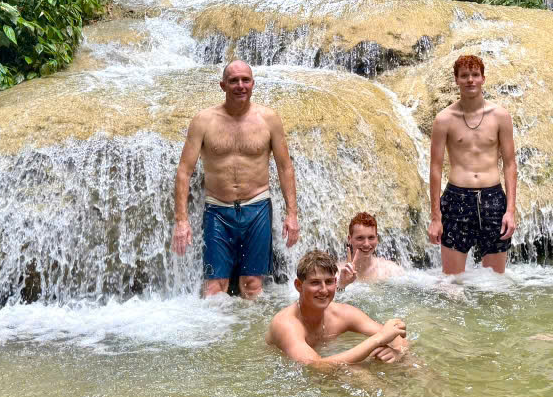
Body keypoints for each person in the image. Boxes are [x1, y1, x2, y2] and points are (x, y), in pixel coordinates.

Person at [172, 60, 299, 299]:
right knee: (214, 287)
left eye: (245, 80)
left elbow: (285, 167)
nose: (240, 86)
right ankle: (213, 336)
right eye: (233, 81)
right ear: (222, 85)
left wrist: (292, 215)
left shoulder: (269, 119)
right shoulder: (204, 121)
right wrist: (181, 221)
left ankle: (250, 337)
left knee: (252, 285)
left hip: (258, 207)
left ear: (253, 84)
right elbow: (184, 171)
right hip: (217, 211)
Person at [426, 53, 518, 274]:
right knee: (452, 282)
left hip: (493, 200)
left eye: (475, 75)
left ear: (483, 79)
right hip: (457, 199)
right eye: (464, 75)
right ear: (456, 80)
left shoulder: (500, 116)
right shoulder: (444, 119)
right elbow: (435, 169)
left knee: (494, 283)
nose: (470, 80)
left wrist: (510, 211)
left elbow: (510, 165)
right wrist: (436, 218)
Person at [266, 250, 409, 368]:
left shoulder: (342, 313)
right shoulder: (285, 324)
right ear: (298, 285)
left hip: (326, 360)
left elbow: (396, 336)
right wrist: (377, 340)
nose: (323, 290)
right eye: (315, 283)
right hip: (287, 380)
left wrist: (398, 352)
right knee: (356, 373)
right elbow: (315, 366)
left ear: (335, 282)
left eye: (328, 282)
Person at [337, 212, 405, 288]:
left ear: (377, 239)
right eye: (360, 238)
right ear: (349, 239)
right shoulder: (337, 273)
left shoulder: (391, 271)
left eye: (371, 237)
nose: (366, 244)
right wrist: (341, 285)